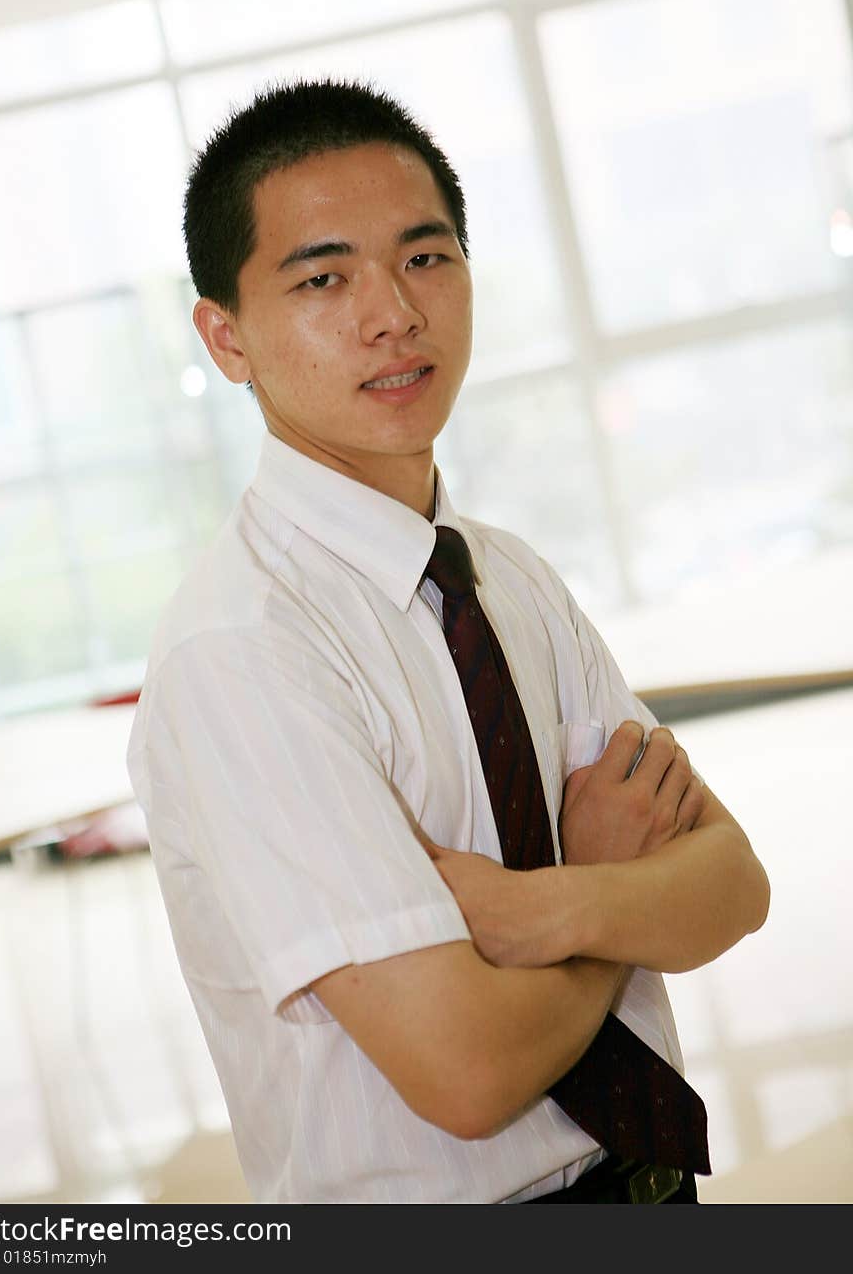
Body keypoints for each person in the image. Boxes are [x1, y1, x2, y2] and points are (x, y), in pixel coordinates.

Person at [126, 77, 770, 1205]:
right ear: (225, 337)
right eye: (324, 278)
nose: (393, 314)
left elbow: (730, 885)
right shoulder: (242, 652)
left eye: (425, 258)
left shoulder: (505, 575)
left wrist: (541, 906)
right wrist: (619, 889)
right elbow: (465, 1072)